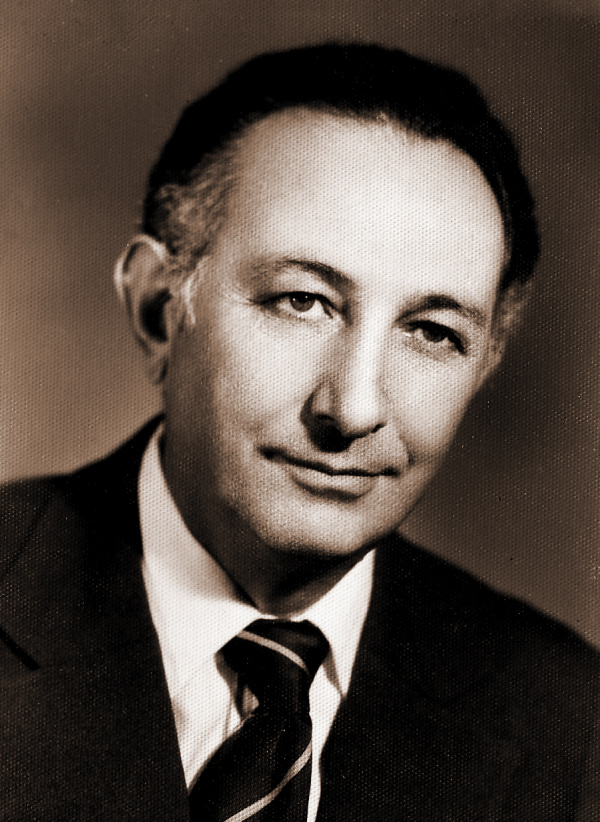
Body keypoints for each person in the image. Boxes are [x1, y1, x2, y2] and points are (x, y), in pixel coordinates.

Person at [1, 43, 598, 822]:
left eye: (431, 332)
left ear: (483, 368)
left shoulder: (570, 725)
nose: (352, 410)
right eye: (302, 302)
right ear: (158, 310)